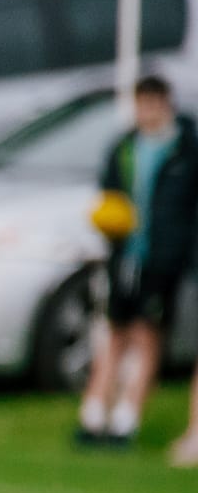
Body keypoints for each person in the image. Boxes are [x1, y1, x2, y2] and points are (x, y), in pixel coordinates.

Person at [76, 75, 198, 449]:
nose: (148, 112)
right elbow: (109, 195)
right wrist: (108, 224)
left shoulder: (185, 150)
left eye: (154, 104)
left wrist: (181, 252)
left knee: (147, 333)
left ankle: (126, 419)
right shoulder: (124, 147)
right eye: (142, 104)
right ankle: (94, 413)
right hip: (124, 256)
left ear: (167, 104)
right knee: (115, 330)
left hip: (162, 261)